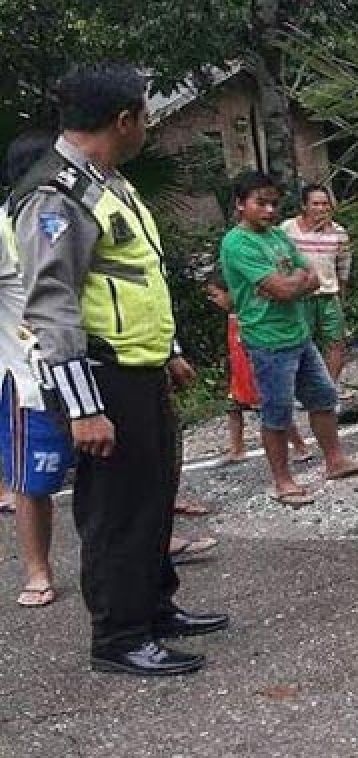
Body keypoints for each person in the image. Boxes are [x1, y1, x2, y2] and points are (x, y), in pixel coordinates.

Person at [14, 64, 227, 675]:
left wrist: (171, 349)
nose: (149, 128)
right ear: (125, 120)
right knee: (117, 511)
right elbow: (51, 307)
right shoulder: (56, 195)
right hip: (101, 378)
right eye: (147, 116)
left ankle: (155, 608)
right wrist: (83, 409)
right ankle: (119, 636)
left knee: (153, 496)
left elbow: (136, 277)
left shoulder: (109, 183)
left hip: (141, 369)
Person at [219, 170, 358, 507]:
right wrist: (293, 283)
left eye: (273, 203)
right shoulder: (237, 243)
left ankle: (335, 460)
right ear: (240, 204)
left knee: (322, 396)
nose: (268, 210)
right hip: (267, 339)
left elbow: (313, 277)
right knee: (276, 411)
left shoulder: (278, 235)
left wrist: (294, 283)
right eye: (260, 203)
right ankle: (283, 480)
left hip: (298, 334)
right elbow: (283, 287)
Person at [1, 129, 72, 608]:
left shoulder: (65, 215)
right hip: (30, 378)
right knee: (33, 482)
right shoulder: (5, 225)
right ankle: (38, 570)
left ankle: (152, 545)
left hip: (84, 368)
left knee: (109, 470)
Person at [204, 270, 310, 463]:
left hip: (254, 372)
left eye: (215, 295)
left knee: (273, 410)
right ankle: (237, 449)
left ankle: (299, 446)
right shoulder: (232, 316)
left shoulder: (248, 316)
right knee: (233, 408)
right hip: (240, 375)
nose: (213, 301)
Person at [280, 185, 352, 392]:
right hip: (299, 297)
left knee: (336, 342)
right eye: (316, 203)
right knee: (300, 343)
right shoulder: (288, 229)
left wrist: (341, 293)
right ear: (304, 205)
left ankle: (330, 386)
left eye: (325, 203)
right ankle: (302, 389)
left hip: (329, 295)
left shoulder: (339, 232)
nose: (321, 208)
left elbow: (343, 266)